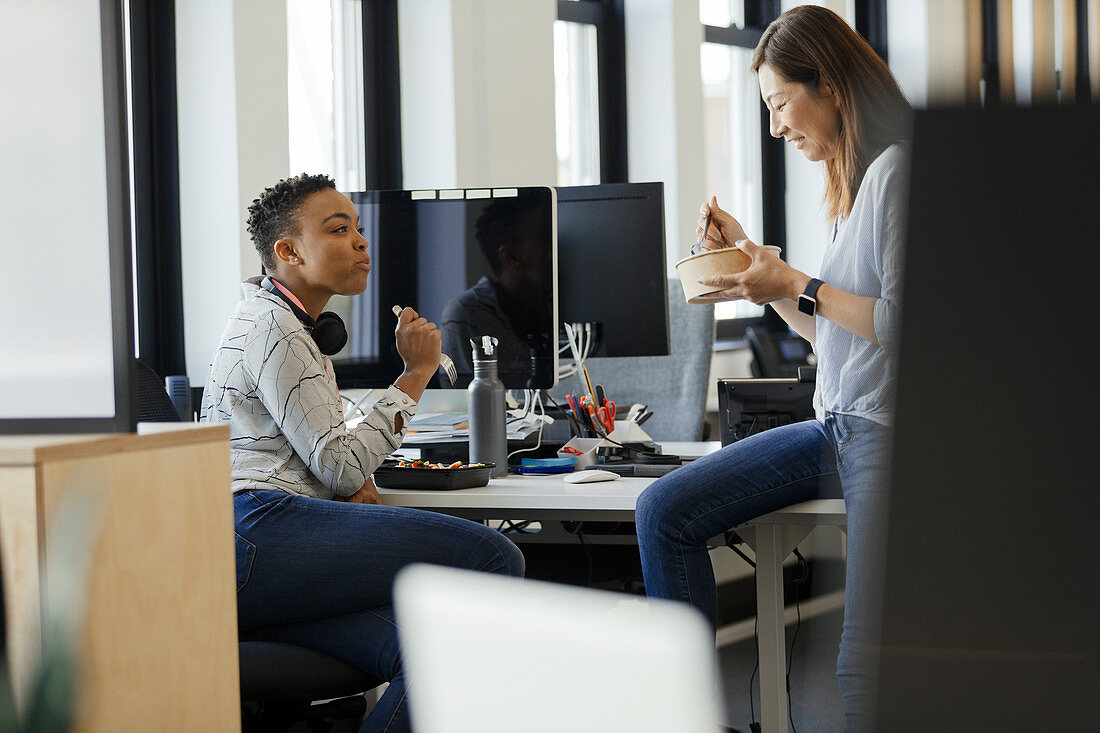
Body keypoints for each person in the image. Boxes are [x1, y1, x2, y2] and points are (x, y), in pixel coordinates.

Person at [635, 6, 911, 731]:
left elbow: (900, 326)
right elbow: (837, 335)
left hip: (886, 431)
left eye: (781, 103)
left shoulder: (897, 175)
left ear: (832, 86)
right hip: (837, 423)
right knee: (664, 509)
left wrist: (796, 283)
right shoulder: (850, 190)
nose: (776, 126)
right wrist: (755, 268)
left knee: (863, 666)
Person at [200, 173, 525, 733]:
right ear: (288, 251)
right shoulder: (277, 330)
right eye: (338, 229)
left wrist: (348, 483)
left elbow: (330, 458)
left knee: (436, 646)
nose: (360, 242)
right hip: (255, 529)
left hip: (249, 547)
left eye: (359, 228)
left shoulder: (280, 322)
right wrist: (416, 373)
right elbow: (343, 463)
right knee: (497, 558)